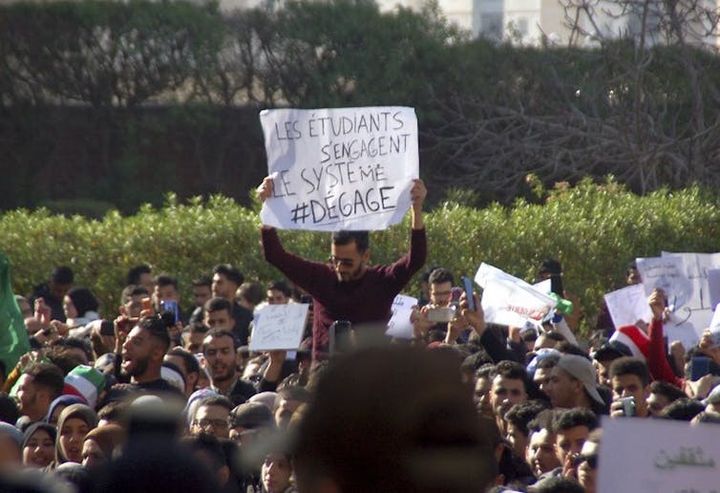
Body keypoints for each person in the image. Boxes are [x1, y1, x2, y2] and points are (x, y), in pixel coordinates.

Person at [257, 177, 427, 358]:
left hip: (370, 375)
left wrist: (416, 209)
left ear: (366, 256)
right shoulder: (321, 278)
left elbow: (415, 259)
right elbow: (275, 256)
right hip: (325, 375)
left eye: (347, 262)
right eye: (334, 260)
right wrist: (268, 206)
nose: (339, 267)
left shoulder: (382, 281)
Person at [202, 329, 256, 406]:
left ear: (238, 358)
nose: (218, 357)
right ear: (203, 361)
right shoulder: (199, 399)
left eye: (225, 351)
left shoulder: (252, 394)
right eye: (212, 352)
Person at [212, 264, 253, 346]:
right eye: (213, 282)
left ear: (233, 285)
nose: (214, 287)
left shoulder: (246, 316)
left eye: (219, 283)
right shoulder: (201, 313)